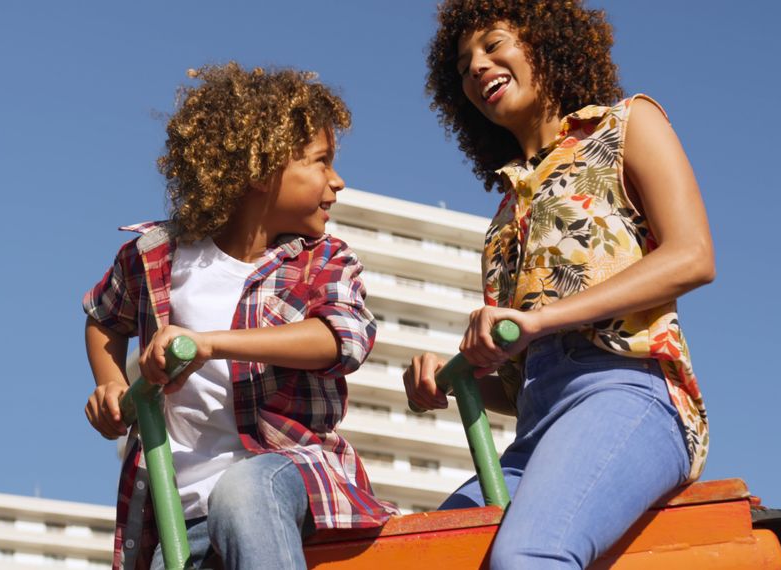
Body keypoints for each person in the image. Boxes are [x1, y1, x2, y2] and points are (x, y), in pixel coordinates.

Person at [402, 1, 715, 568]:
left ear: (546, 41)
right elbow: (520, 374)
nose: (476, 65)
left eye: (494, 44)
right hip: (534, 431)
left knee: (527, 556)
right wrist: (456, 377)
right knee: (420, 557)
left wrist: (541, 320)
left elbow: (692, 255)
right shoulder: (502, 218)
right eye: (462, 63)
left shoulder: (625, 126)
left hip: (628, 394)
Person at [82, 62, 393, 570]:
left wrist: (211, 343)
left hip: (289, 477)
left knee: (244, 491)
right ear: (259, 168)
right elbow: (102, 316)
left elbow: (341, 340)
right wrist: (112, 386)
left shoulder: (322, 260)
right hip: (182, 513)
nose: (337, 180)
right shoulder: (156, 255)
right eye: (320, 162)